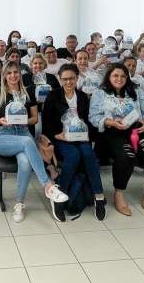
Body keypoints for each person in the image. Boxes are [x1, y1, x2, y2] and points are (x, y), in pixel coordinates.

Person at [0, 61, 69, 223]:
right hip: (4, 136)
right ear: (4, 75)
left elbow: (34, 119)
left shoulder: (28, 93)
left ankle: (19, 203)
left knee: (25, 162)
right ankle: (47, 185)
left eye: (15, 72)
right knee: (27, 142)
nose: (13, 76)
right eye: (9, 73)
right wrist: (1, 120)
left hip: (23, 132)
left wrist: (27, 121)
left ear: (20, 74)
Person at [89, 64, 144, 217]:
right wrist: (111, 122)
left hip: (137, 128)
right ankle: (119, 193)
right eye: (116, 76)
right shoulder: (99, 93)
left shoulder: (136, 90)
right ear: (109, 77)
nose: (119, 79)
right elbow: (93, 117)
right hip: (112, 130)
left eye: (123, 76)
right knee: (126, 156)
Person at [41, 64, 106, 221]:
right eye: (64, 79)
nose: (68, 82)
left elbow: (88, 121)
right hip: (60, 138)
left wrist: (86, 135)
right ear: (60, 79)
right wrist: (58, 135)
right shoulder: (53, 95)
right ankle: (59, 195)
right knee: (73, 155)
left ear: (77, 78)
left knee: (88, 154)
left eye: (71, 78)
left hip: (80, 137)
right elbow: (47, 122)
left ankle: (99, 196)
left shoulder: (82, 97)